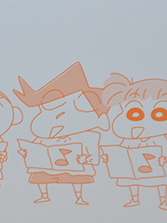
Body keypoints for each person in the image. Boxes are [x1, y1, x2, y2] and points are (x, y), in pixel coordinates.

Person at [14, 62, 110, 205]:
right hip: (48, 168)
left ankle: (79, 197)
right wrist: (27, 153)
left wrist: (85, 159)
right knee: (40, 175)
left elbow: (93, 156)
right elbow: (37, 151)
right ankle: (44, 195)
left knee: (77, 178)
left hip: (77, 168)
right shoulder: (44, 139)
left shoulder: (89, 136)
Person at [101, 75, 167, 210]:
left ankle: (163, 201)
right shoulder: (129, 141)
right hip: (136, 170)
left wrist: (166, 159)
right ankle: (134, 199)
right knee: (132, 179)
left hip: (160, 168)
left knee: (162, 181)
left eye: (160, 114)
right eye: (134, 113)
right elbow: (121, 154)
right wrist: (109, 158)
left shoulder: (162, 140)